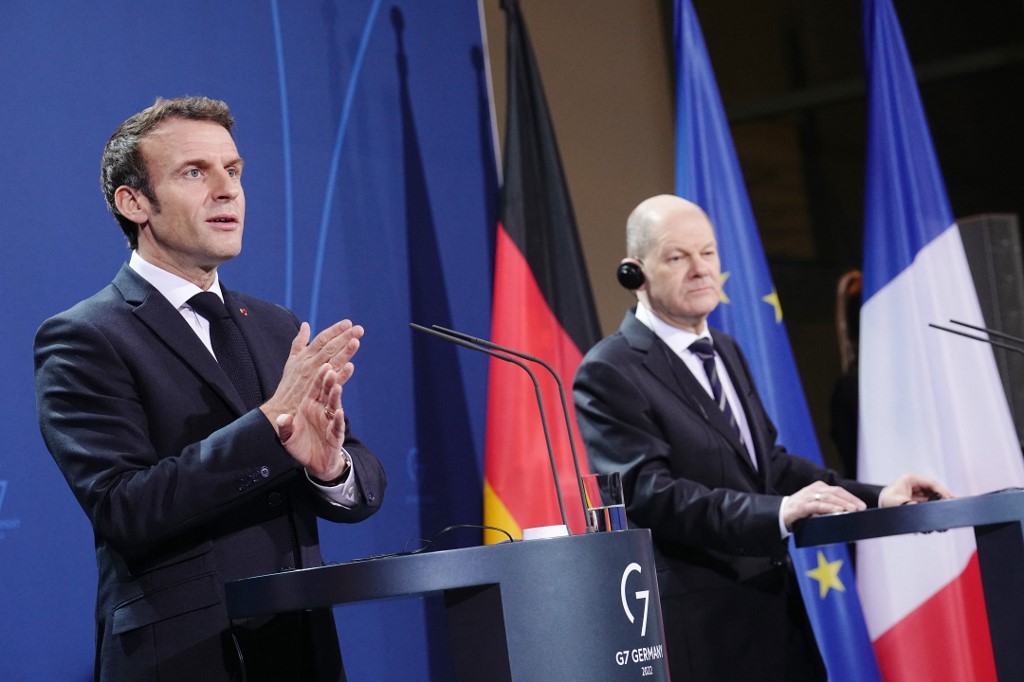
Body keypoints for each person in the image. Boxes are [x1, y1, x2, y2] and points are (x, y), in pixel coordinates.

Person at [34, 96, 386, 682]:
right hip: (185, 656)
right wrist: (269, 426)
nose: (227, 190)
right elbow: (124, 508)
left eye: (234, 170)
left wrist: (332, 468)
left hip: (300, 646)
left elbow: (364, 478)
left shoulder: (274, 324)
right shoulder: (86, 336)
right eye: (194, 172)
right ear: (134, 202)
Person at [572, 194, 950, 681]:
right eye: (677, 257)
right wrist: (779, 512)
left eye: (707, 253)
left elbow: (770, 466)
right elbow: (649, 494)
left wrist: (878, 495)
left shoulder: (725, 350)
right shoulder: (609, 370)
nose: (700, 269)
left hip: (778, 619)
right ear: (634, 273)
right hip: (705, 632)